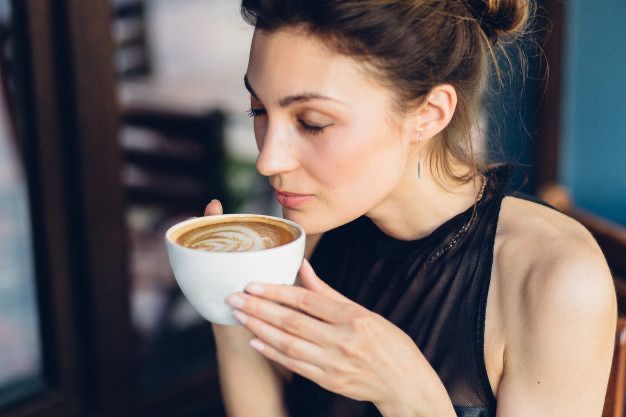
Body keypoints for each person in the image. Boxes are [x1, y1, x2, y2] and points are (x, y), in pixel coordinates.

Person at [206, 1, 617, 416]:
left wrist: (409, 394)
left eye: (312, 122)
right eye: (259, 110)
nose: (269, 160)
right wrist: (227, 308)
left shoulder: (555, 279)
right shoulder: (317, 219)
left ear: (428, 114)